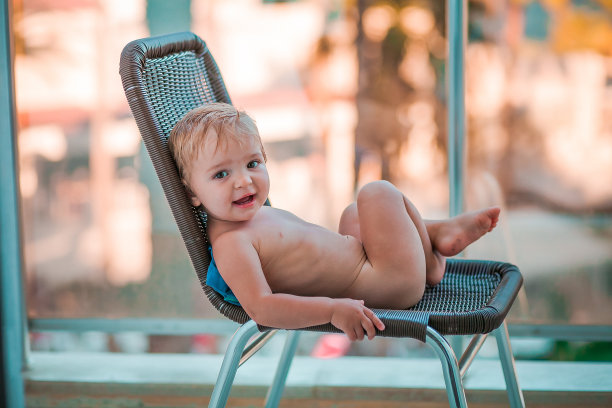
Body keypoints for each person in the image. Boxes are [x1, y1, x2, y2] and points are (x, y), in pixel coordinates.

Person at [169, 102, 500, 342]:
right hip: (388, 284)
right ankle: (434, 242)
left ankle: (430, 251)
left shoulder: (249, 218)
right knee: (376, 193)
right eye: (222, 174)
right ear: (193, 193)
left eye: (252, 163)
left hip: (372, 268)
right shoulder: (232, 245)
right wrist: (331, 311)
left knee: (353, 214)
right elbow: (263, 308)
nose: (243, 182)